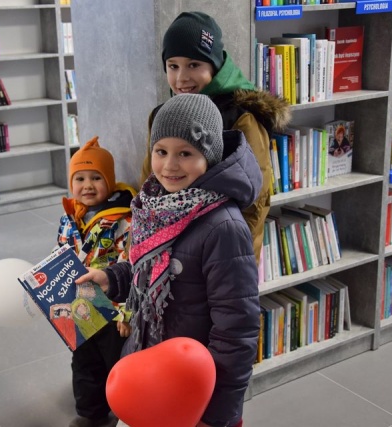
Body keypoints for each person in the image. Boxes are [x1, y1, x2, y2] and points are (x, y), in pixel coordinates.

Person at [78, 94, 261, 427]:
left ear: (209, 156)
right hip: (151, 367)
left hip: (193, 395)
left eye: (185, 153)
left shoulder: (224, 227)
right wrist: (113, 278)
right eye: (161, 151)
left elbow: (237, 332)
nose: (169, 166)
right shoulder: (156, 203)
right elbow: (148, 267)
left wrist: (213, 416)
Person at [140, 11, 291, 262]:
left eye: (194, 65)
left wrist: (233, 260)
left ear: (216, 65)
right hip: (166, 255)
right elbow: (148, 185)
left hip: (219, 258)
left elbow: (254, 200)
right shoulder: (162, 115)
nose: (181, 78)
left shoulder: (240, 118)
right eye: (173, 66)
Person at [58, 136, 135, 427]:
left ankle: (127, 412)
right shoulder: (70, 218)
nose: (87, 185)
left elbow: (131, 266)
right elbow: (61, 256)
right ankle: (91, 413)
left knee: (117, 363)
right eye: (79, 178)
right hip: (79, 306)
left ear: (110, 181)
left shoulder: (123, 220)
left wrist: (126, 312)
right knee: (83, 361)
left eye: (96, 178)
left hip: (112, 310)